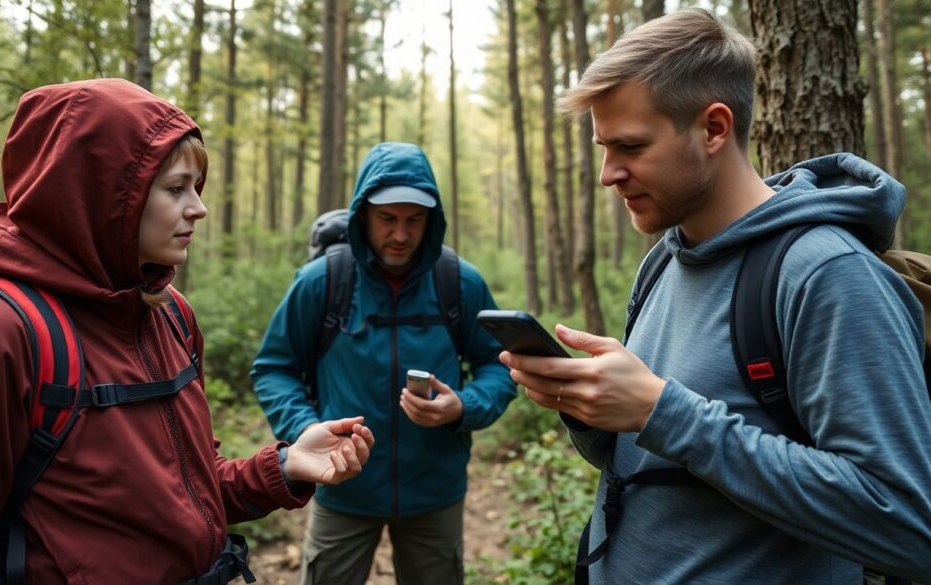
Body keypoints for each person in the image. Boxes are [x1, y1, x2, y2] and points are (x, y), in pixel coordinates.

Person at [500, 8, 931, 585]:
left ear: (713, 128)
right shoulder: (663, 259)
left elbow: (907, 526)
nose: (607, 174)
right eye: (604, 147)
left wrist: (664, 412)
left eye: (630, 147)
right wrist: (593, 411)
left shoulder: (826, 275)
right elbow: (654, 461)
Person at [0, 78, 374, 584]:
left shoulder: (166, 313)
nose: (199, 208)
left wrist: (286, 466)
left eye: (195, 188)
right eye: (176, 189)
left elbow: (190, 491)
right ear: (100, 195)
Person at [251, 142, 516, 584]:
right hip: (342, 489)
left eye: (414, 221)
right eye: (387, 219)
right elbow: (274, 368)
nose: (400, 235)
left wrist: (463, 407)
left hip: (435, 493)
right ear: (362, 216)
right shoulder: (323, 282)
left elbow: (498, 363)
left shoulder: (460, 282)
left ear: (432, 221)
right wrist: (305, 429)